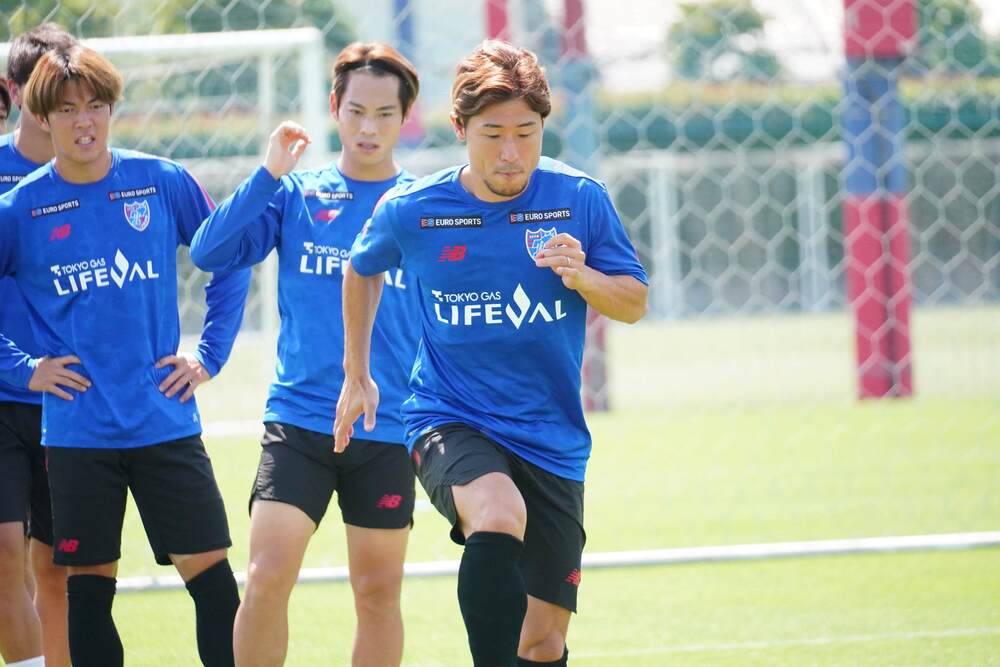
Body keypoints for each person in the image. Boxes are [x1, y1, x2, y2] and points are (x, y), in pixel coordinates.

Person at [335, 40, 649, 666]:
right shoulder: (414, 210)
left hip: (551, 436)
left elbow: (634, 301)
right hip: (449, 417)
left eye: (526, 134)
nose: (511, 152)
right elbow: (361, 268)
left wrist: (585, 277)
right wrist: (357, 372)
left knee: (543, 640)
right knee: (498, 512)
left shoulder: (578, 197)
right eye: (493, 134)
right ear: (460, 128)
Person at [0, 44, 251, 667]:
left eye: (95, 105)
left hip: (163, 419)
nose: (83, 121)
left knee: (213, 581)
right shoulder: (20, 209)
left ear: (112, 109)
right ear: (41, 118)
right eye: (66, 109)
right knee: (88, 593)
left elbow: (228, 257)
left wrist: (208, 355)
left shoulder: (160, 180)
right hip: (78, 433)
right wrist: (23, 369)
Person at [190, 42, 421, 666]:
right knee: (265, 578)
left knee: (378, 593)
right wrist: (268, 173)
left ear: (405, 117)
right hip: (299, 421)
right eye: (356, 111)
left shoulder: (420, 206)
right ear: (334, 108)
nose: (368, 127)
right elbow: (209, 252)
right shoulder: (297, 194)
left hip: (386, 425)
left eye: (384, 114)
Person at [0, 22, 79, 667]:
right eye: (43, 86)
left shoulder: (96, 174)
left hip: (70, 403)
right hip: (2, 395)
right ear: (13, 90)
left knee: (57, 571)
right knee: (4, 557)